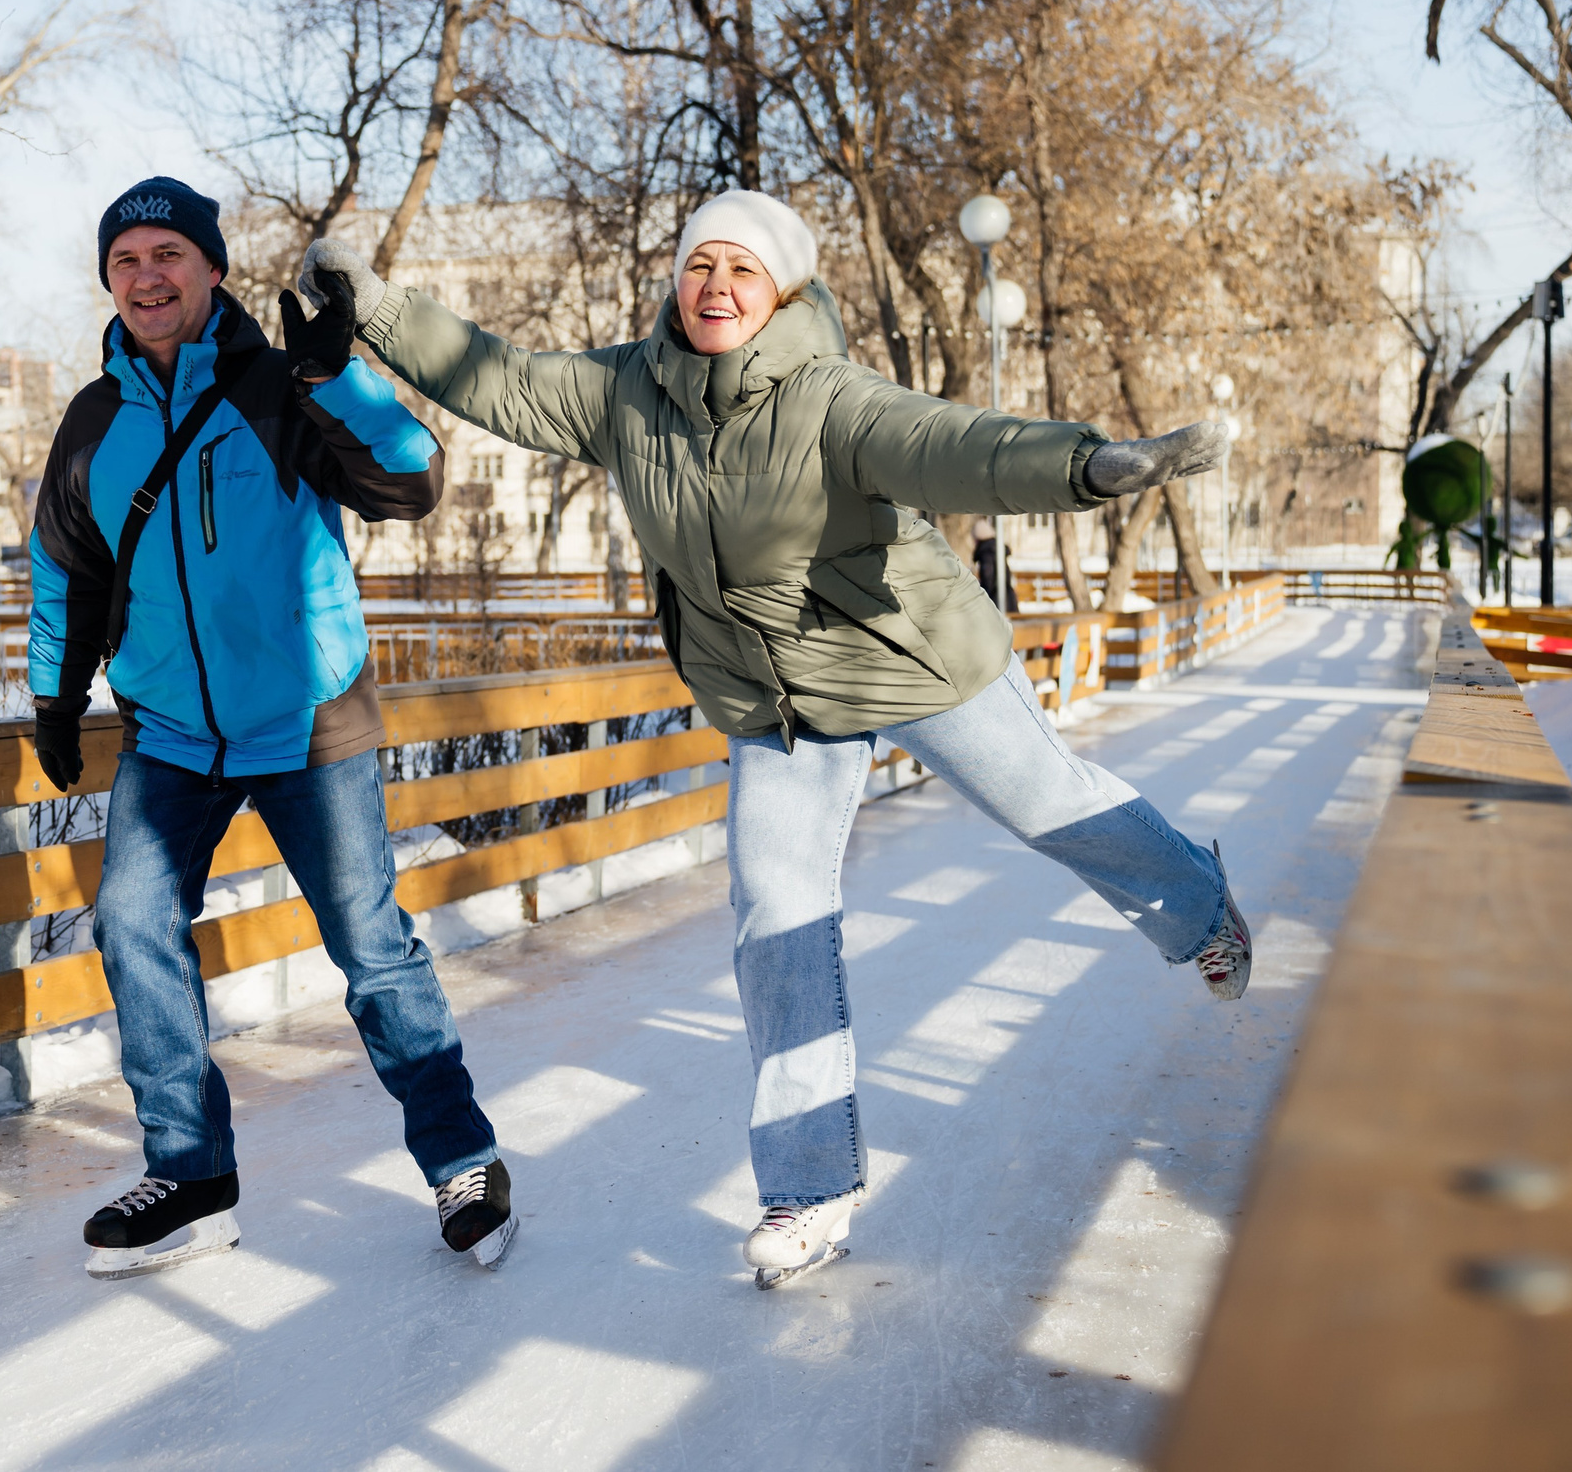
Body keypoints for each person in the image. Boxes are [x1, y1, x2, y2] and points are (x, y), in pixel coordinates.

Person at [296, 189, 1247, 1287]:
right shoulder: (625, 394)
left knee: (1051, 803)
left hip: (912, 656)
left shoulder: (832, 399)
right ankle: (808, 1184)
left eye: (742, 270)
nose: (716, 287)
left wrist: (1088, 465)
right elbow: (492, 374)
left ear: (783, 290)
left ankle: (1198, 906)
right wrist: (371, 306)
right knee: (775, 911)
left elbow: (959, 446)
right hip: (776, 701)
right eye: (701, 265)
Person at [27, 176, 516, 1278]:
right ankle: (191, 1174)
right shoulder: (94, 420)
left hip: (309, 719)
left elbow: (411, 481)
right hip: (169, 733)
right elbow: (63, 571)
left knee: (372, 951)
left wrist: (337, 374)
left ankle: (461, 1156)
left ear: (210, 268)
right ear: (109, 280)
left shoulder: (281, 384)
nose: (147, 276)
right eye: (126, 260)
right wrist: (55, 700)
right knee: (132, 925)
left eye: (168, 255)